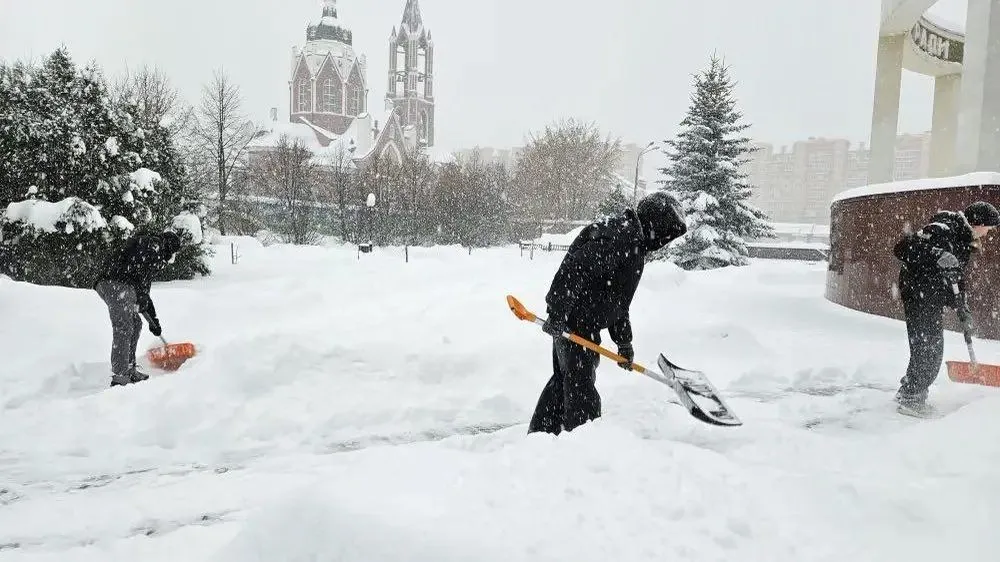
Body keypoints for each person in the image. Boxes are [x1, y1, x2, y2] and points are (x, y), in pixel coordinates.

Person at [528, 191, 687, 435]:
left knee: (566, 380)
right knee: (580, 389)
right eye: (666, 233)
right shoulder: (621, 238)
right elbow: (575, 269)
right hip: (575, 323)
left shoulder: (631, 240)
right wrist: (558, 312)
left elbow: (617, 300)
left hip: (580, 321)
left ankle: (542, 435)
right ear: (656, 224)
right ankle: (585, 442)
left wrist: (624, 342)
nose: (664, 241)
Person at [892, 201, 1000, 416]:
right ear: (978, 223)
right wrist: (937, 254)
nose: (988, 233)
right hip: (919, 293)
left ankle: (910, 392)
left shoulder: (963, 240)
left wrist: (962, 307)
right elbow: (902, 248)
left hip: (931, 296)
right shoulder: (942, 228)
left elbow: (954, 277)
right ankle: (911, 398)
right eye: (988, 228)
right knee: (929, 348)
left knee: (928, 347)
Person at [93, 231, 182, 387]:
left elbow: (144, 292)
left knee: (135, 323)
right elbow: (138, 270)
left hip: (119, 284)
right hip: (115, 282)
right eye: (172, 254)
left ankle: (129, 368)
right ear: (169, 248)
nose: (170, 259)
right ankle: (120, 376)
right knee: (124, 326)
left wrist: (154, 323)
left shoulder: (152, 251)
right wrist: (140, 294)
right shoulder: (153, 246)